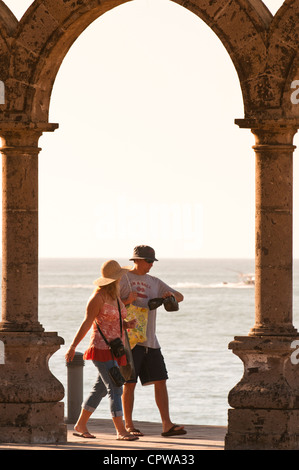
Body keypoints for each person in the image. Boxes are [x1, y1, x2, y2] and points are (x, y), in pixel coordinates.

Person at [65, 260, 138, 441]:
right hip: (101, 349)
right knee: (115, 387)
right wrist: (73, 346)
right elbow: (87, 323)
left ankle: (80, 425)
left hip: (116, 349)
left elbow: (114, 320)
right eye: (120, 276)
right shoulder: (97, 298)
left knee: (100, 389)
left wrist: (127, 324)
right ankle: (121, 431)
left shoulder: (115, 296)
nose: (122, 278)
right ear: (114, 279)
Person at [120, 245, 186, 438]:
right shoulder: (123, 279)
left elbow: (180, 297)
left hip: (150, 341)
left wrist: (169, 297)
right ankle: (129, 425)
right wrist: (125, 301)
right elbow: (108, 304)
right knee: (129, 383)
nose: (151, 265)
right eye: (148, 261)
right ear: (137, 260)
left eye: (153, 262)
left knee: (161, 380)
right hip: (129, 340)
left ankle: (167, 424)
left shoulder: (154, 282)